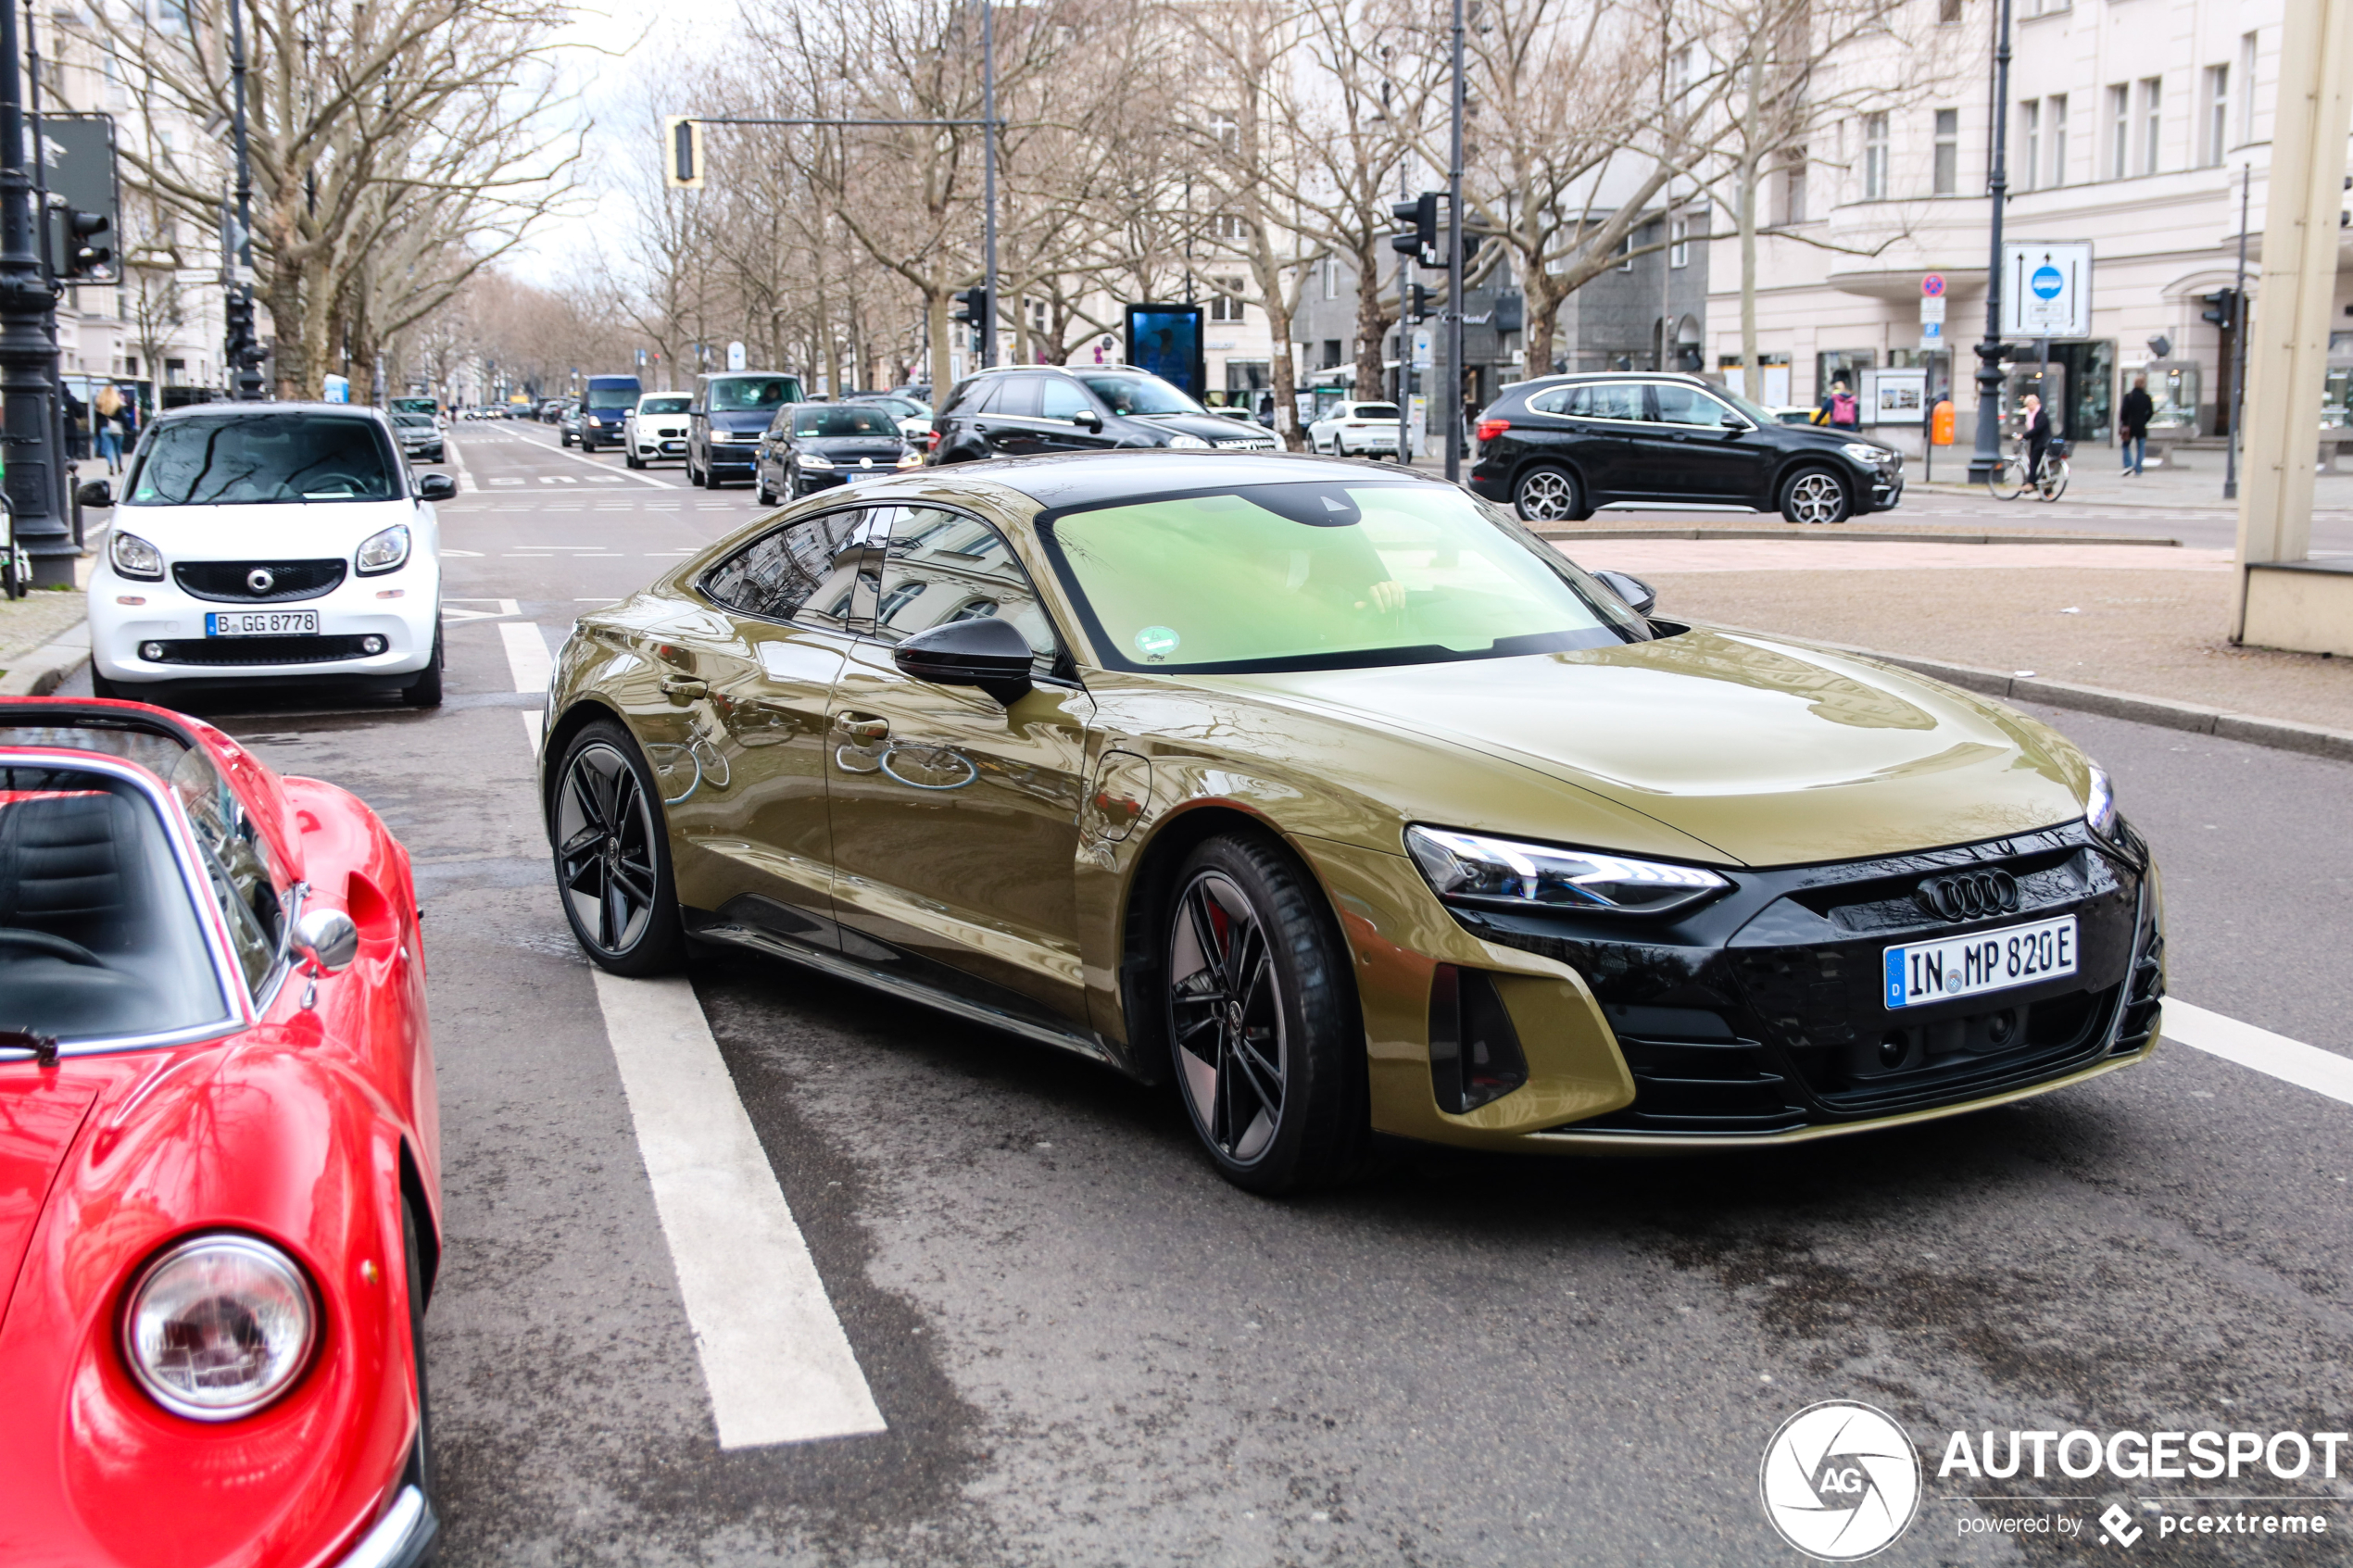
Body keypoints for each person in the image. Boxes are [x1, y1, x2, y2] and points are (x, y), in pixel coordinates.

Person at [2119, 374, 2154, 477]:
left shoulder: (2129, 396)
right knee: (2141, 447)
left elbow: (2123, 412)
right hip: (2141, 426)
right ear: (2143, 385)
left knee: (2125, 445)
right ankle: (2138, 468)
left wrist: (2124, 422)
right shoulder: (2146, 397)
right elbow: (2151, 412)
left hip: (2129, 426)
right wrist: (2145, 420)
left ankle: (2128, 464)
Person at [94, 383, 125, 474]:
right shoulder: (117, 404)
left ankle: (111, 467)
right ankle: (120, 467)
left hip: (104, 429)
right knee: (118, 449)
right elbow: (123, 417)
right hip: (116, 428)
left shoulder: (100, 404)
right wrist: (128, 428)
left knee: (108, 449)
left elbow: (97, 418)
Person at [2020, 393, 2052, 485]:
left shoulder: (2040, 414)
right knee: (2037, 464)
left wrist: (2024, 436)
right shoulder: (2031, 415)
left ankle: (2031, 484)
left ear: (2037, 403)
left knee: (2034, 462)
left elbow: (2037, 429)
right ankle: (2043, 489)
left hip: (2042, 442)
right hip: (2036, 441)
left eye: (2032, 404)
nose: (2030, 406)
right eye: (2028, 404)